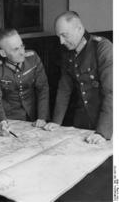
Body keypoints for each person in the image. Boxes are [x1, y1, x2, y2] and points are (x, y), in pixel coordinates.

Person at [44, 11, 113, 144]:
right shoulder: (67, 53)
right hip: (81, 122)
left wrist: (103, 132)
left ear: (79, 29)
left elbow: (112, 92)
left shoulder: (102, 47)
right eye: (59, 36)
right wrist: (56, 122)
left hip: (107, 122)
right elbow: (64, 89)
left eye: (64, 35)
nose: (61, 41)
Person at [0, 28, 49, 136]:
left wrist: (42, 117)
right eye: (15, 49)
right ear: (3, 53)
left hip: (35, 118)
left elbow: (43, 88)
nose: (22, 52)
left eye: (22, 46)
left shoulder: (33, 58)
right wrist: (1, 122)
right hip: (11, 121)